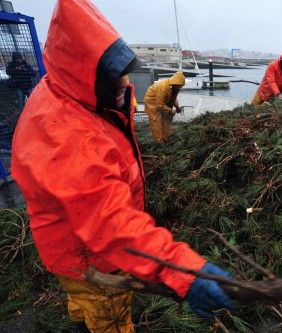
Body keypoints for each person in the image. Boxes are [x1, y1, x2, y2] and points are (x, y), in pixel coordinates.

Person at [11, 1, 233, 332]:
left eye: (121, 76)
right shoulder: (69, 140)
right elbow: (110, 225)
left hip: (74, 237)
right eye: (112, 81)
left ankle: (82, 320)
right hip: (89, 255)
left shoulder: (68, 89)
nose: (123, 88)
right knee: (108, 314)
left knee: (88, 308)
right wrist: (181, 271)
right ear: (87, 76)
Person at [144, 71, 185, 143]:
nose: (180, 87)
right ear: (175, 83)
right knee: (156, 121)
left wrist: (177, 107)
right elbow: (160, 104)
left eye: (181, 86)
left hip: (163, 101)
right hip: (152, 102)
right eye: (180, 85)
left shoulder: (175, 88)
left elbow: (173, 99)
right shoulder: (162, 86)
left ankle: (165, 138)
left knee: (166, 118)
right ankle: (159, 141)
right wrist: (170, 110)